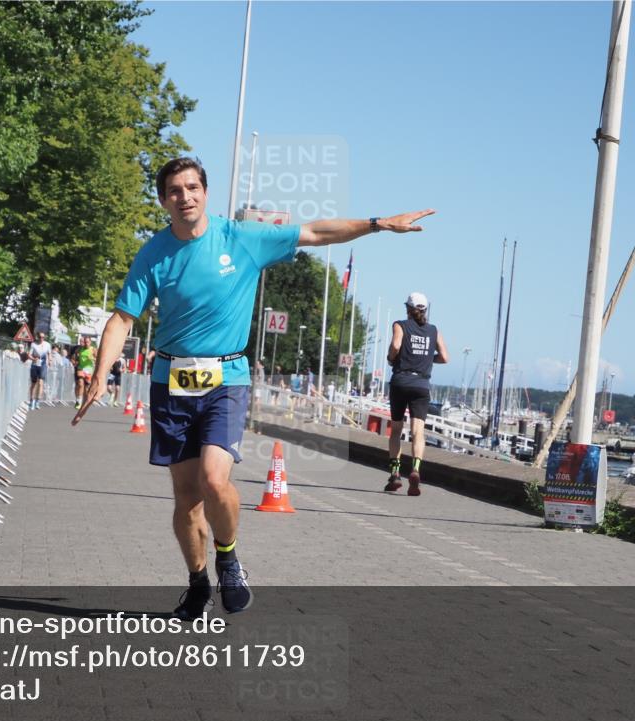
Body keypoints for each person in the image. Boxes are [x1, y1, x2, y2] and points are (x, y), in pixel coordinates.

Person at [71, 156, 435, 619]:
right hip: (171, 382)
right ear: (164, 200)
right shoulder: (154, 253)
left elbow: (317, 233)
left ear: (205, 191)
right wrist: (102, 373)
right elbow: (123, 318)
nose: (185, 197)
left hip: (227, 379)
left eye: (192, 188)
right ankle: (198, 583)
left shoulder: (240, 238)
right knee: (186, 501)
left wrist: (380, 224)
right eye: (175, 191)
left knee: (213, 479)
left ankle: (229, 558)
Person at [384, 292, 449, 496]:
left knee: (396, 430)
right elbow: (445, 357)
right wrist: (429, 359)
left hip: (401, 381)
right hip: (421, 384)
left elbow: (395, 345)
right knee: (418, 432)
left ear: (407, 309)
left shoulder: (400, 325)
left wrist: (391, 357)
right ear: (425, 309)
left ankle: (395, 474)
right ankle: (415, 469)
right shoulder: (434, 331)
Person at [28, 331, 52, 410]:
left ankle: (38, 401)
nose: (42, 339)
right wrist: (33, 358)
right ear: (37, 337)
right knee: (34, 383)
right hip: (35, 364)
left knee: (41, 382)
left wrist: (50, 361)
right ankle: (32, 400)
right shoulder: (33, 344)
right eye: (40, 337)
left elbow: (49, 354)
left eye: (43, 337)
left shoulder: (47, 345)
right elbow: (29, 355)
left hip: (43, 365)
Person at [71, 336, 96, 409]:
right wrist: (74, 362)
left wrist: (92, 358)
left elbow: (97, 359)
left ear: (90, 342)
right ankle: (78, 400)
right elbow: (73, 357)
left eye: (87, 342)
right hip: (81, 368)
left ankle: (85, 403)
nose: (86, 343)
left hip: (89, 370)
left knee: (87, 388)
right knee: (80, 383)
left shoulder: (93, 350)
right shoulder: (79, 349)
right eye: (85, 342)